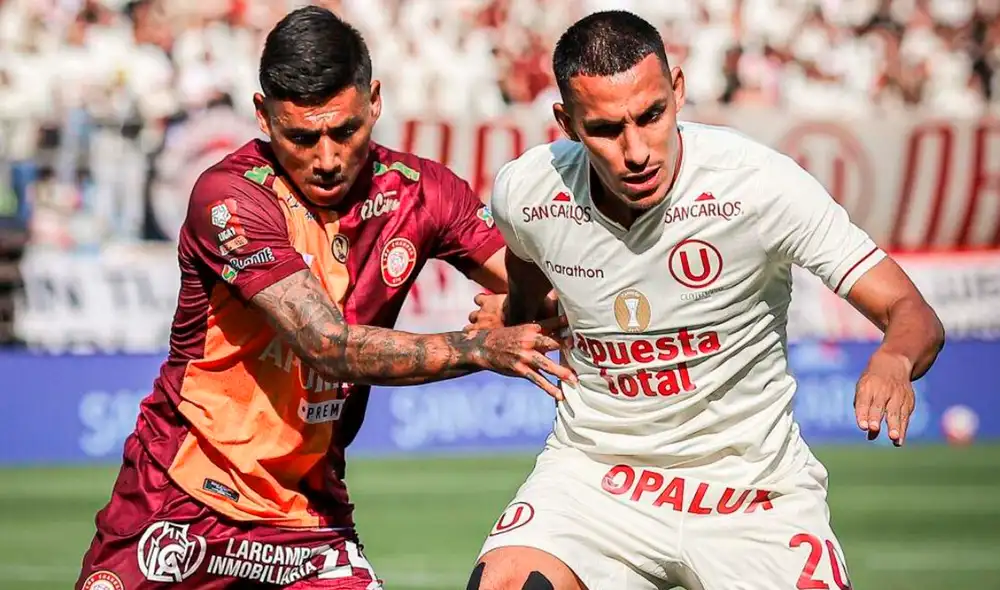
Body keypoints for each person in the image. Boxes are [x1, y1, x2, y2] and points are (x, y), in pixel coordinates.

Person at [75, 7, 574, 590]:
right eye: (302, 137)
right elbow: (326, 345)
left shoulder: (424, 193)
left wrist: (524, 307)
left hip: (307, 522)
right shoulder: (230, 198)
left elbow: (551, 291)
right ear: (263, 116)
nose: (329, 158)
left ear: (375, 100)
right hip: (178, 502)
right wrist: (481, 346)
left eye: (345, 130)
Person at [465, 10, 945, 590]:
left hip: (752, 493)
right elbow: (526, 276)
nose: (637, 151)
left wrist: (894, 359)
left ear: (679, 91)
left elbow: (911, 311)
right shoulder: (529, 190)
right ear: (566, 122)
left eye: (652, 115)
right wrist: (516, 318)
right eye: (606, 130)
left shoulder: (759, 184)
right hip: (596, 476)